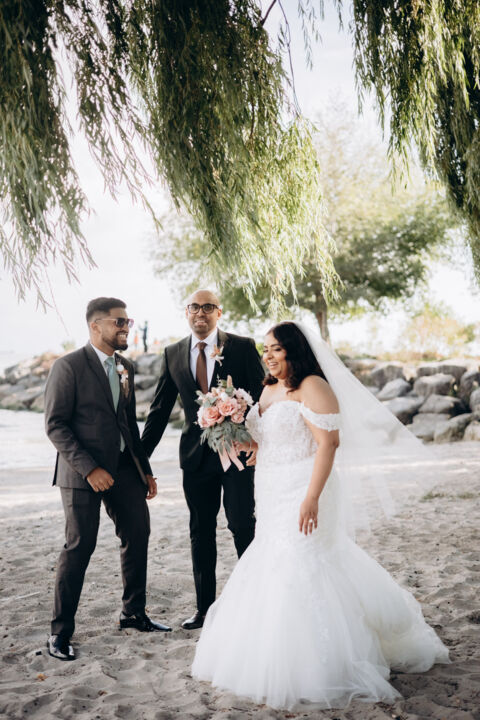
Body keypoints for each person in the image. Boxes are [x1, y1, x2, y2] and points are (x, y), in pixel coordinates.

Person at [192, 321, 449, 710]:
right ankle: (276, 651)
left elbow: (328, 443)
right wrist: (245, 440)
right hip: (272, 488)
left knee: (304, 560)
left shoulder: (312, 385)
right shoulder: (269, 387)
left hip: (304, 487)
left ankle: (320, 661)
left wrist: (311, 498)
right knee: (272, 559)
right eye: (266, 349)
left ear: (294, 350)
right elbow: (273, 436)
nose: (269, 356)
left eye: (277, 349)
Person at [44, 297, 171, 662]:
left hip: (125, 468)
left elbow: (128, 424)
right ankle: (59, 632)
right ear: (95, 325)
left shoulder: (124, 366)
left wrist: (144, 469)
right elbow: (55, 425)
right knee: (80, 545)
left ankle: (133, 613)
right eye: (119, 322)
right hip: (81, 473)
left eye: (128, 322)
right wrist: (89, 468)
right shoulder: (68, 366)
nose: (126, 327)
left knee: (138, 533)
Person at [141, 289, 264, 630]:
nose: (200, 312)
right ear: (186, 312)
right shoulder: (173, 353)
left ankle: (256, 602)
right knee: (201, 530)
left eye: (208, 307)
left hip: (237, 454)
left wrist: (257, 437)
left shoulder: (242, 346)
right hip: (195, 459)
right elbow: (159, 410)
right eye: (194, 307)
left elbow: (262, 395)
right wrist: (139, 458)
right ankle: (204, 609)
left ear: (218, 313)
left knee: (242, 524)